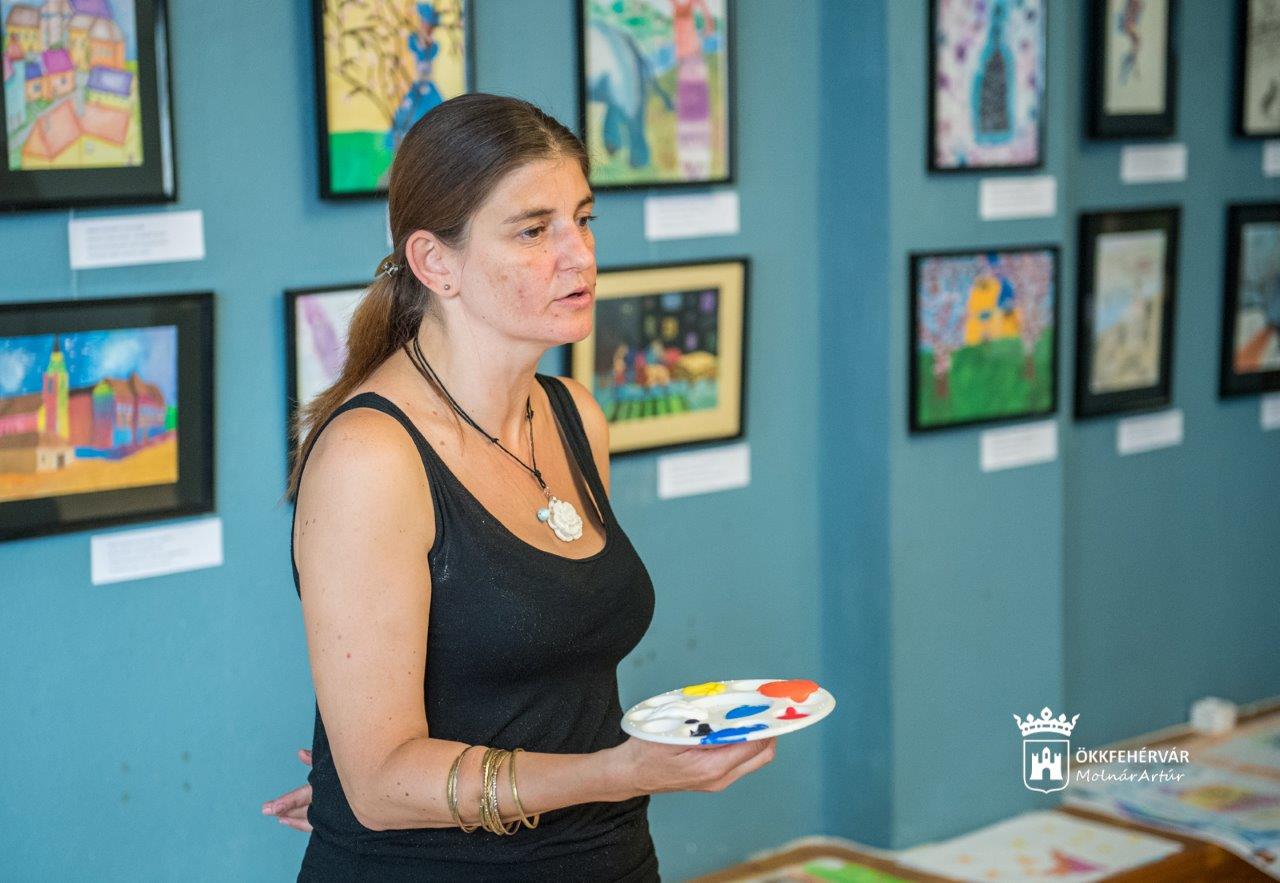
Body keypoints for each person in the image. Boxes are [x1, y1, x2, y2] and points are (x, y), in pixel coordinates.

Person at [264, 93, 776, 881]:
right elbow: (380, 786)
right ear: (436, 262)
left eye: (584, 219)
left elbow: (538, 669)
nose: (580, 256)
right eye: (534, 230)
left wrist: (618, 775)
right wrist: (621, 769)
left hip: (608, 858)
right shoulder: (372, 457)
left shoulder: (573, 415)